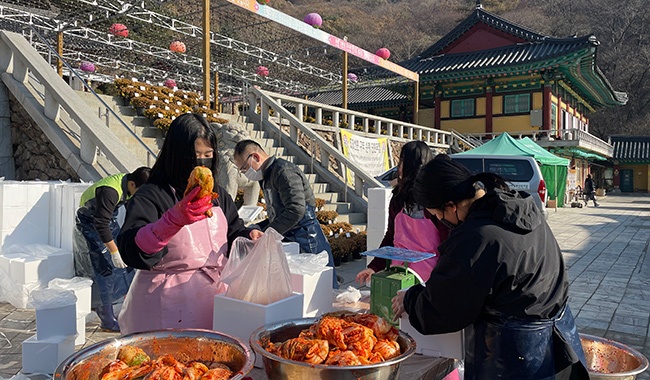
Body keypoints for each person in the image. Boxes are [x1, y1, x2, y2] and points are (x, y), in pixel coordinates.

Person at [392, 154, 589, 379]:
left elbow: (444, 309)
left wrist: (410, 299)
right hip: (558, 341)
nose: (439, 221)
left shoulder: (477, 238)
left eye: (437, 214)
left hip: (513, 355)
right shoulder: (519, 207)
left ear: (451, 205)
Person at [116, 114, 263, 335]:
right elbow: (131, 250)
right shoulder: (152, 194)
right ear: (176, 156)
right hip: (165, 307)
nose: (201, 162)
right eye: (195, 156)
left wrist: (249, 235)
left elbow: (233, 231)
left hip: (213, 301)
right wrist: (172, 220)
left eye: (208, 155)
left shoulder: (217, 195)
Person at [232, 140, 338, 288]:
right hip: (290, 236)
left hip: (307, 237)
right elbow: (278, 214)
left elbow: (296, 209)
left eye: (244, 168)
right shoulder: (267, 176)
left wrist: (268, 232)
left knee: (318, 289)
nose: (245, 174)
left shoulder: (284, 171)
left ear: (255, 157)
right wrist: (258, 228)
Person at [356, 141, 448, 286]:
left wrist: (441, 281)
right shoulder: (398, 198)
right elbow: (391, 236)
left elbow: (447, 245)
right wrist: (374, 266)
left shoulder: (434, 200)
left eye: (403, 161)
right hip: (397, 274)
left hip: (429, 279)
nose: (399, 167)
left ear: (414, 164)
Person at [75, 166, 151, 332]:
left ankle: (128, 309)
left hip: (108, 221)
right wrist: (114, 252)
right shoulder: (110, 191)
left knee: (127, 266)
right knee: (104, 270)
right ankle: (107, 320)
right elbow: (101, 224)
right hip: (90, 224)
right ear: (132, 184)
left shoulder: (130, 185)